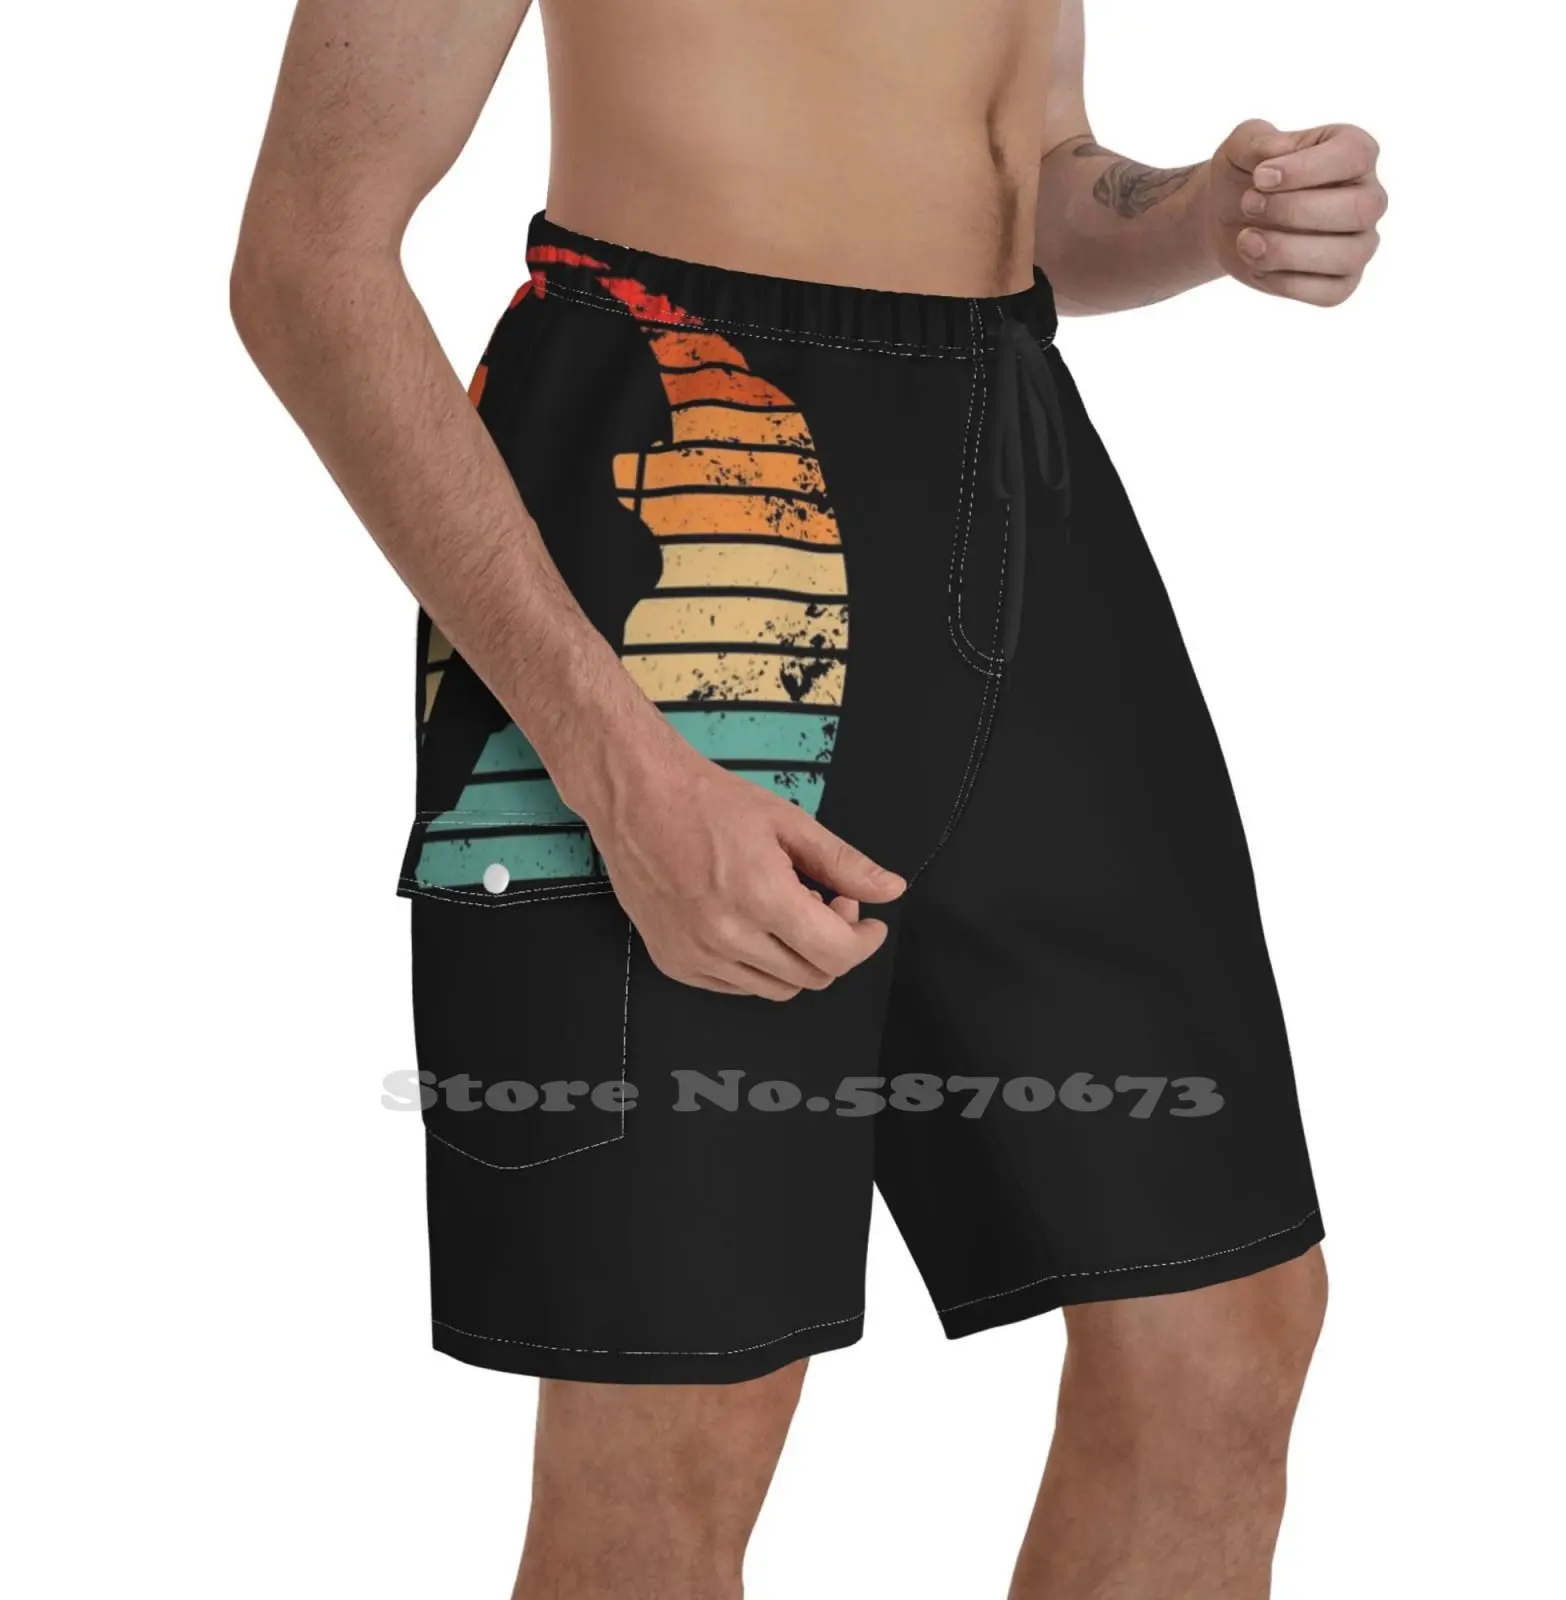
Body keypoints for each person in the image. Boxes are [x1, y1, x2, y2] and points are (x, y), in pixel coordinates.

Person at [234, 1, 1381, 1593]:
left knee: (1222, 1323)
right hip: (680, 472)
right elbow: (306, 258)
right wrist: (610, 763)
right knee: (679, 1418)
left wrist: (1201, 213)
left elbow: (1026, 171)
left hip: (1016, 463)